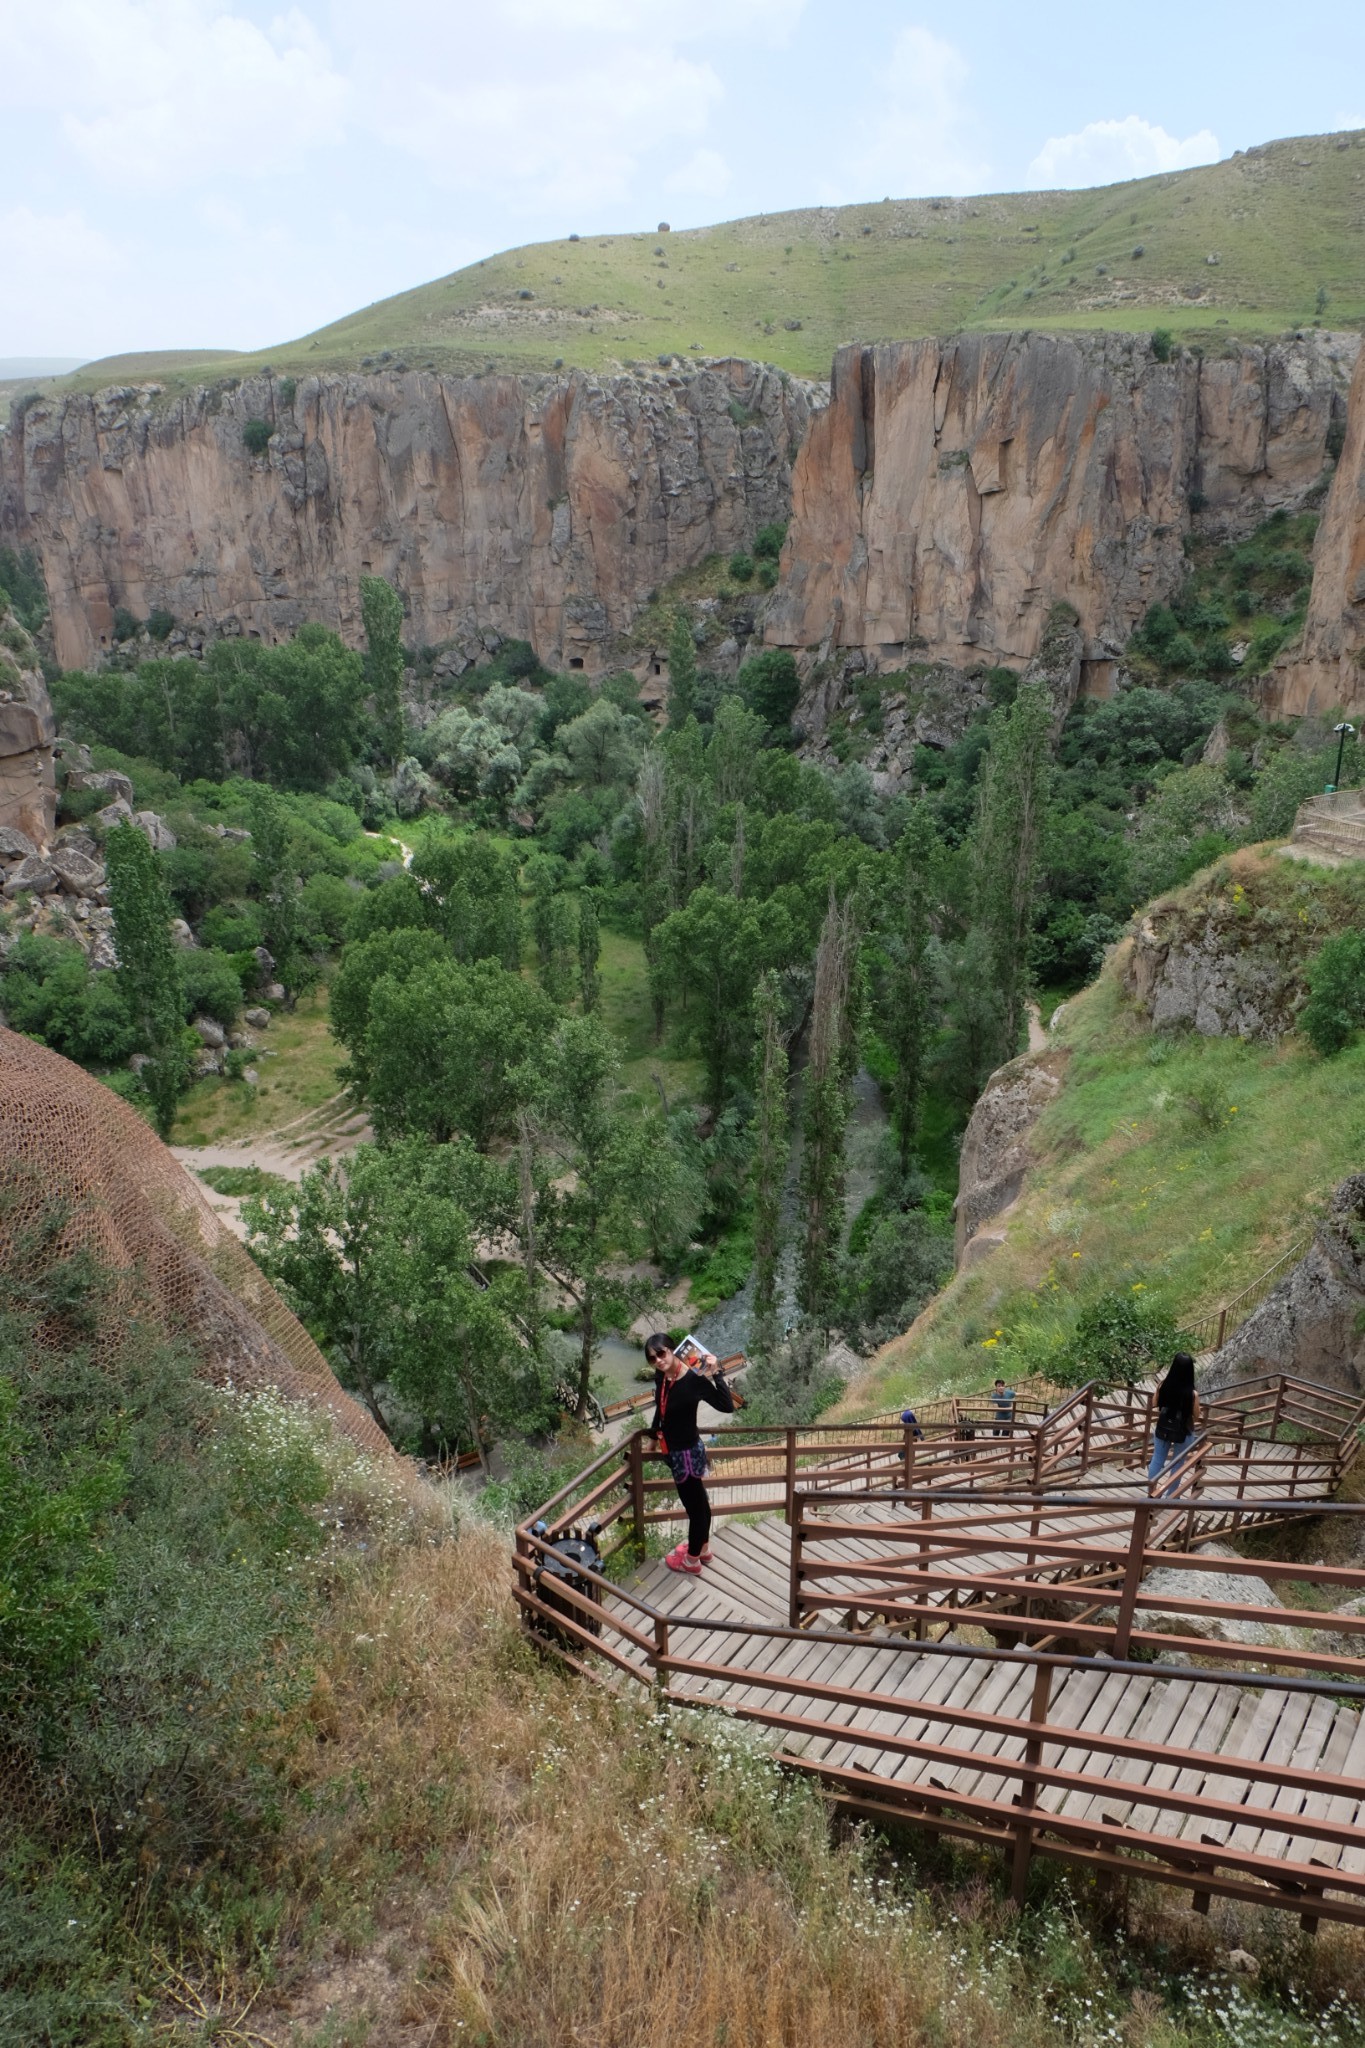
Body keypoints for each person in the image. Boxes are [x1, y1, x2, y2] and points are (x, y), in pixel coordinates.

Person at [646, 1333, 735, 1573]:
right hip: (674, 1452)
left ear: (673, 1350)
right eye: (653, 1359)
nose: (659, 1361)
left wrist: (716, 1372)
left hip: (687, 1455)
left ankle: (691, 1560)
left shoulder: (693, 1380)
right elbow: (661, 1410)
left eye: (662, 1354)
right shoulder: (661, 1377)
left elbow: (726, 1406)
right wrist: (653, 1438)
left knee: (696, 1510)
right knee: (700, 1505)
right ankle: (702, 1549)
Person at [1148, 1352, 1202, 1485]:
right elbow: (1196, 1415)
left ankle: (1151, 1493)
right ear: (1190, 1371)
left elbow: (1154, 1403)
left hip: (1163, 1428)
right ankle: (1172, 1496)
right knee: (1178, 1464)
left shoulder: (1163, 1385)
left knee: (1157, 1459)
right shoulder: (1192, 1394)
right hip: (1184, 1430)